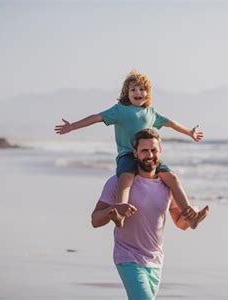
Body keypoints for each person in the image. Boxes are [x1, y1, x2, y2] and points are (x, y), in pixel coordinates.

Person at [55, 70, 208, 229]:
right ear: (126, 93)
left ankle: (190, 215)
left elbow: (171, 123)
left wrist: (189, 132)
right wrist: (73, 126)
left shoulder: (151, 113)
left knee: (172, 178)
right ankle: (120, 212)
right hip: (127, 155)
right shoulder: (120, 110)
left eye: (142, 89)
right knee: (126, 178)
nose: (138, 93)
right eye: (133, 89)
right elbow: (96, 117)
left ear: (147, 94)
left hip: (148, 156)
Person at [91, 128, 209, 300]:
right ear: (135, 153)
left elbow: (180, 224)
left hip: (155, 260)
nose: (150, 155)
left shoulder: (167, 185)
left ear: (160, 151)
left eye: (154, 150)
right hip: (128, 256)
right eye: (144, 150)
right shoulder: (117, 182)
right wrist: (112, 211)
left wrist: (192, 214)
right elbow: (95, 220)